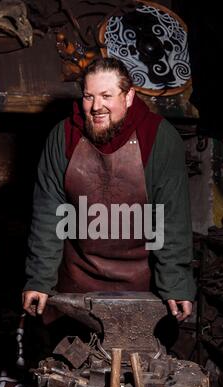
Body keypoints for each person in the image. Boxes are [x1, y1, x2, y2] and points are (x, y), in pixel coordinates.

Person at [22, 58, 196, 322]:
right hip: (77, 282)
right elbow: (48, 214)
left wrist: (176, 284)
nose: (96, 107)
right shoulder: (63, 136)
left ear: (128, 97)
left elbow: (170, 219)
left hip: (142, 285)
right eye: (89, 97)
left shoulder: (158, 137)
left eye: (106, 95)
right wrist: (39, 279)